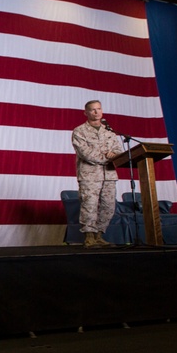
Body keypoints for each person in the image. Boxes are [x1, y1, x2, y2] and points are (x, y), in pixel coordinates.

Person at [72, 99, 123, 248]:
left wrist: (112, 155)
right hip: (90, 175)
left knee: (108, 206)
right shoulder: (79, 131)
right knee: (90, 205)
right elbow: (86, 154)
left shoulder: (110, 133)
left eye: (99, 109)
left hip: (109, 175)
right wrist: (106, 156)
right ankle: (89, 237)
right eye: (93, 110)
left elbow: (118, 152)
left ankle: (99, 235)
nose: (96, 112)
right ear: (86, 113)